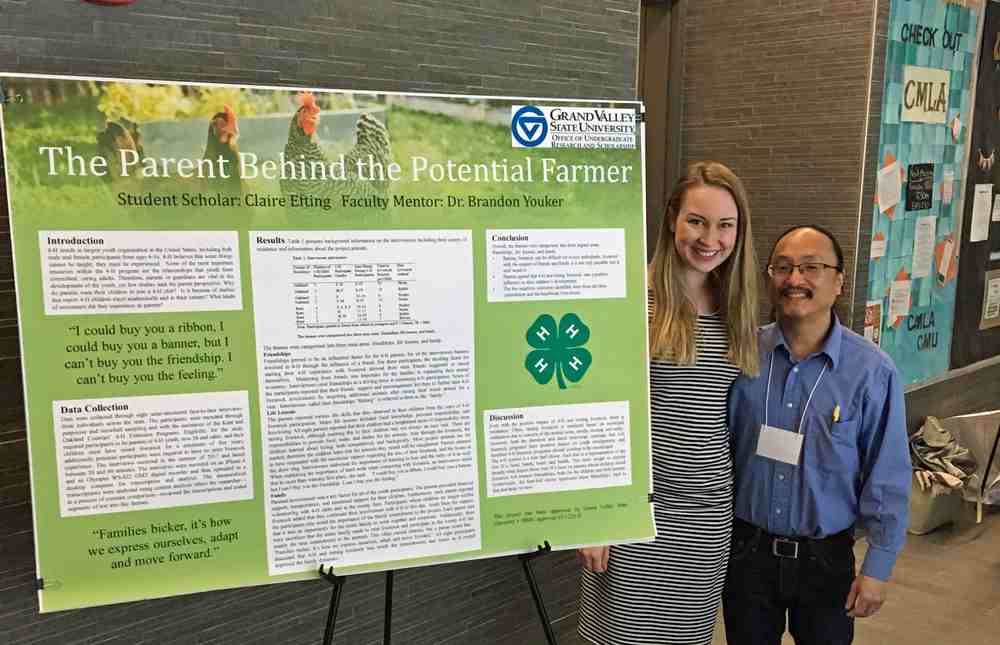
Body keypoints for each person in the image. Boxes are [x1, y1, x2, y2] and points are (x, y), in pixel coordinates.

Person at [578, 161, 761, 645]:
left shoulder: (735, 307)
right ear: (672, 220)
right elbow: (597, 415)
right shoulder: (631, 300)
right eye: (696, 221)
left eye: (725, 225)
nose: (710, 239)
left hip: (707, 519)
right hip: (639, 516)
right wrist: (596, 518)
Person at [724, 225, 912, 645]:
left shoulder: (871, 372)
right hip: (747, 554)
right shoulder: (741, 356)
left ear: (839, 281)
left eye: (811, 267)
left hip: (825, 560)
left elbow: (887, 475)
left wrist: (878, 567)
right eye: (783, 267)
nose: (795, 279)